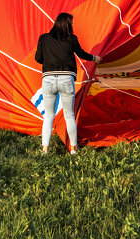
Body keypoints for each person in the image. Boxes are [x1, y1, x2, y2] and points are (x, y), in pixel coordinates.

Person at [35, 12, 101, 154]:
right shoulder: (71, 39)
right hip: (66, 80)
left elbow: (38, 58)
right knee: (69, 115)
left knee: (48, 116)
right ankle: (74, 148)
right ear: (67, 24)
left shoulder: (44, 38)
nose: (72, 25)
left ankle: (45, 149)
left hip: (48, 80)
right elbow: (81, 53)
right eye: (71, 23)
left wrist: (49, 60)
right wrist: (94, 58)